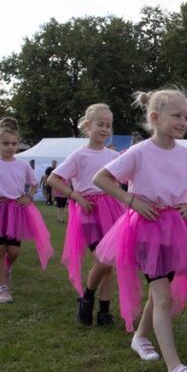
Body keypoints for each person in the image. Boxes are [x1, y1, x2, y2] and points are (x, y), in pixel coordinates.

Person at [92, 88, 187, 372]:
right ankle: (175, 370)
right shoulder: (140, 151)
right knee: (162, 296)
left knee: (162, 291)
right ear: (155, 118)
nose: (183, 121)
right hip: (144, 227)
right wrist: (131, 200)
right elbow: (101, 178)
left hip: (173, 227)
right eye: (176, 115)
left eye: (186, 116)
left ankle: (140, 337)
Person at [45, 103, 123, 326]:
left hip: (112, 209)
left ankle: (104, 310)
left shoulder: (113, 155)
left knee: (110, 262)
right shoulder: (79, 155)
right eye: (100, 124)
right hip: (89, 210)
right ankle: (87, 297)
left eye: (108, 125)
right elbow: (53, 179)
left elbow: (124, 177)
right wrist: (76, 196)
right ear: (88, 126)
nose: (105, 129)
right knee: (103, 259)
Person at [0, 118, 53, 303]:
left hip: (15, 211)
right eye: (6, 143)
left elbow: (33, 182)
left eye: (14, 143)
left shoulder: (22, 165)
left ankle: (6, 268)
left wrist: (29, 196)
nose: (10, 147)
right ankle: (2, 287)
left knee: (13, 251)